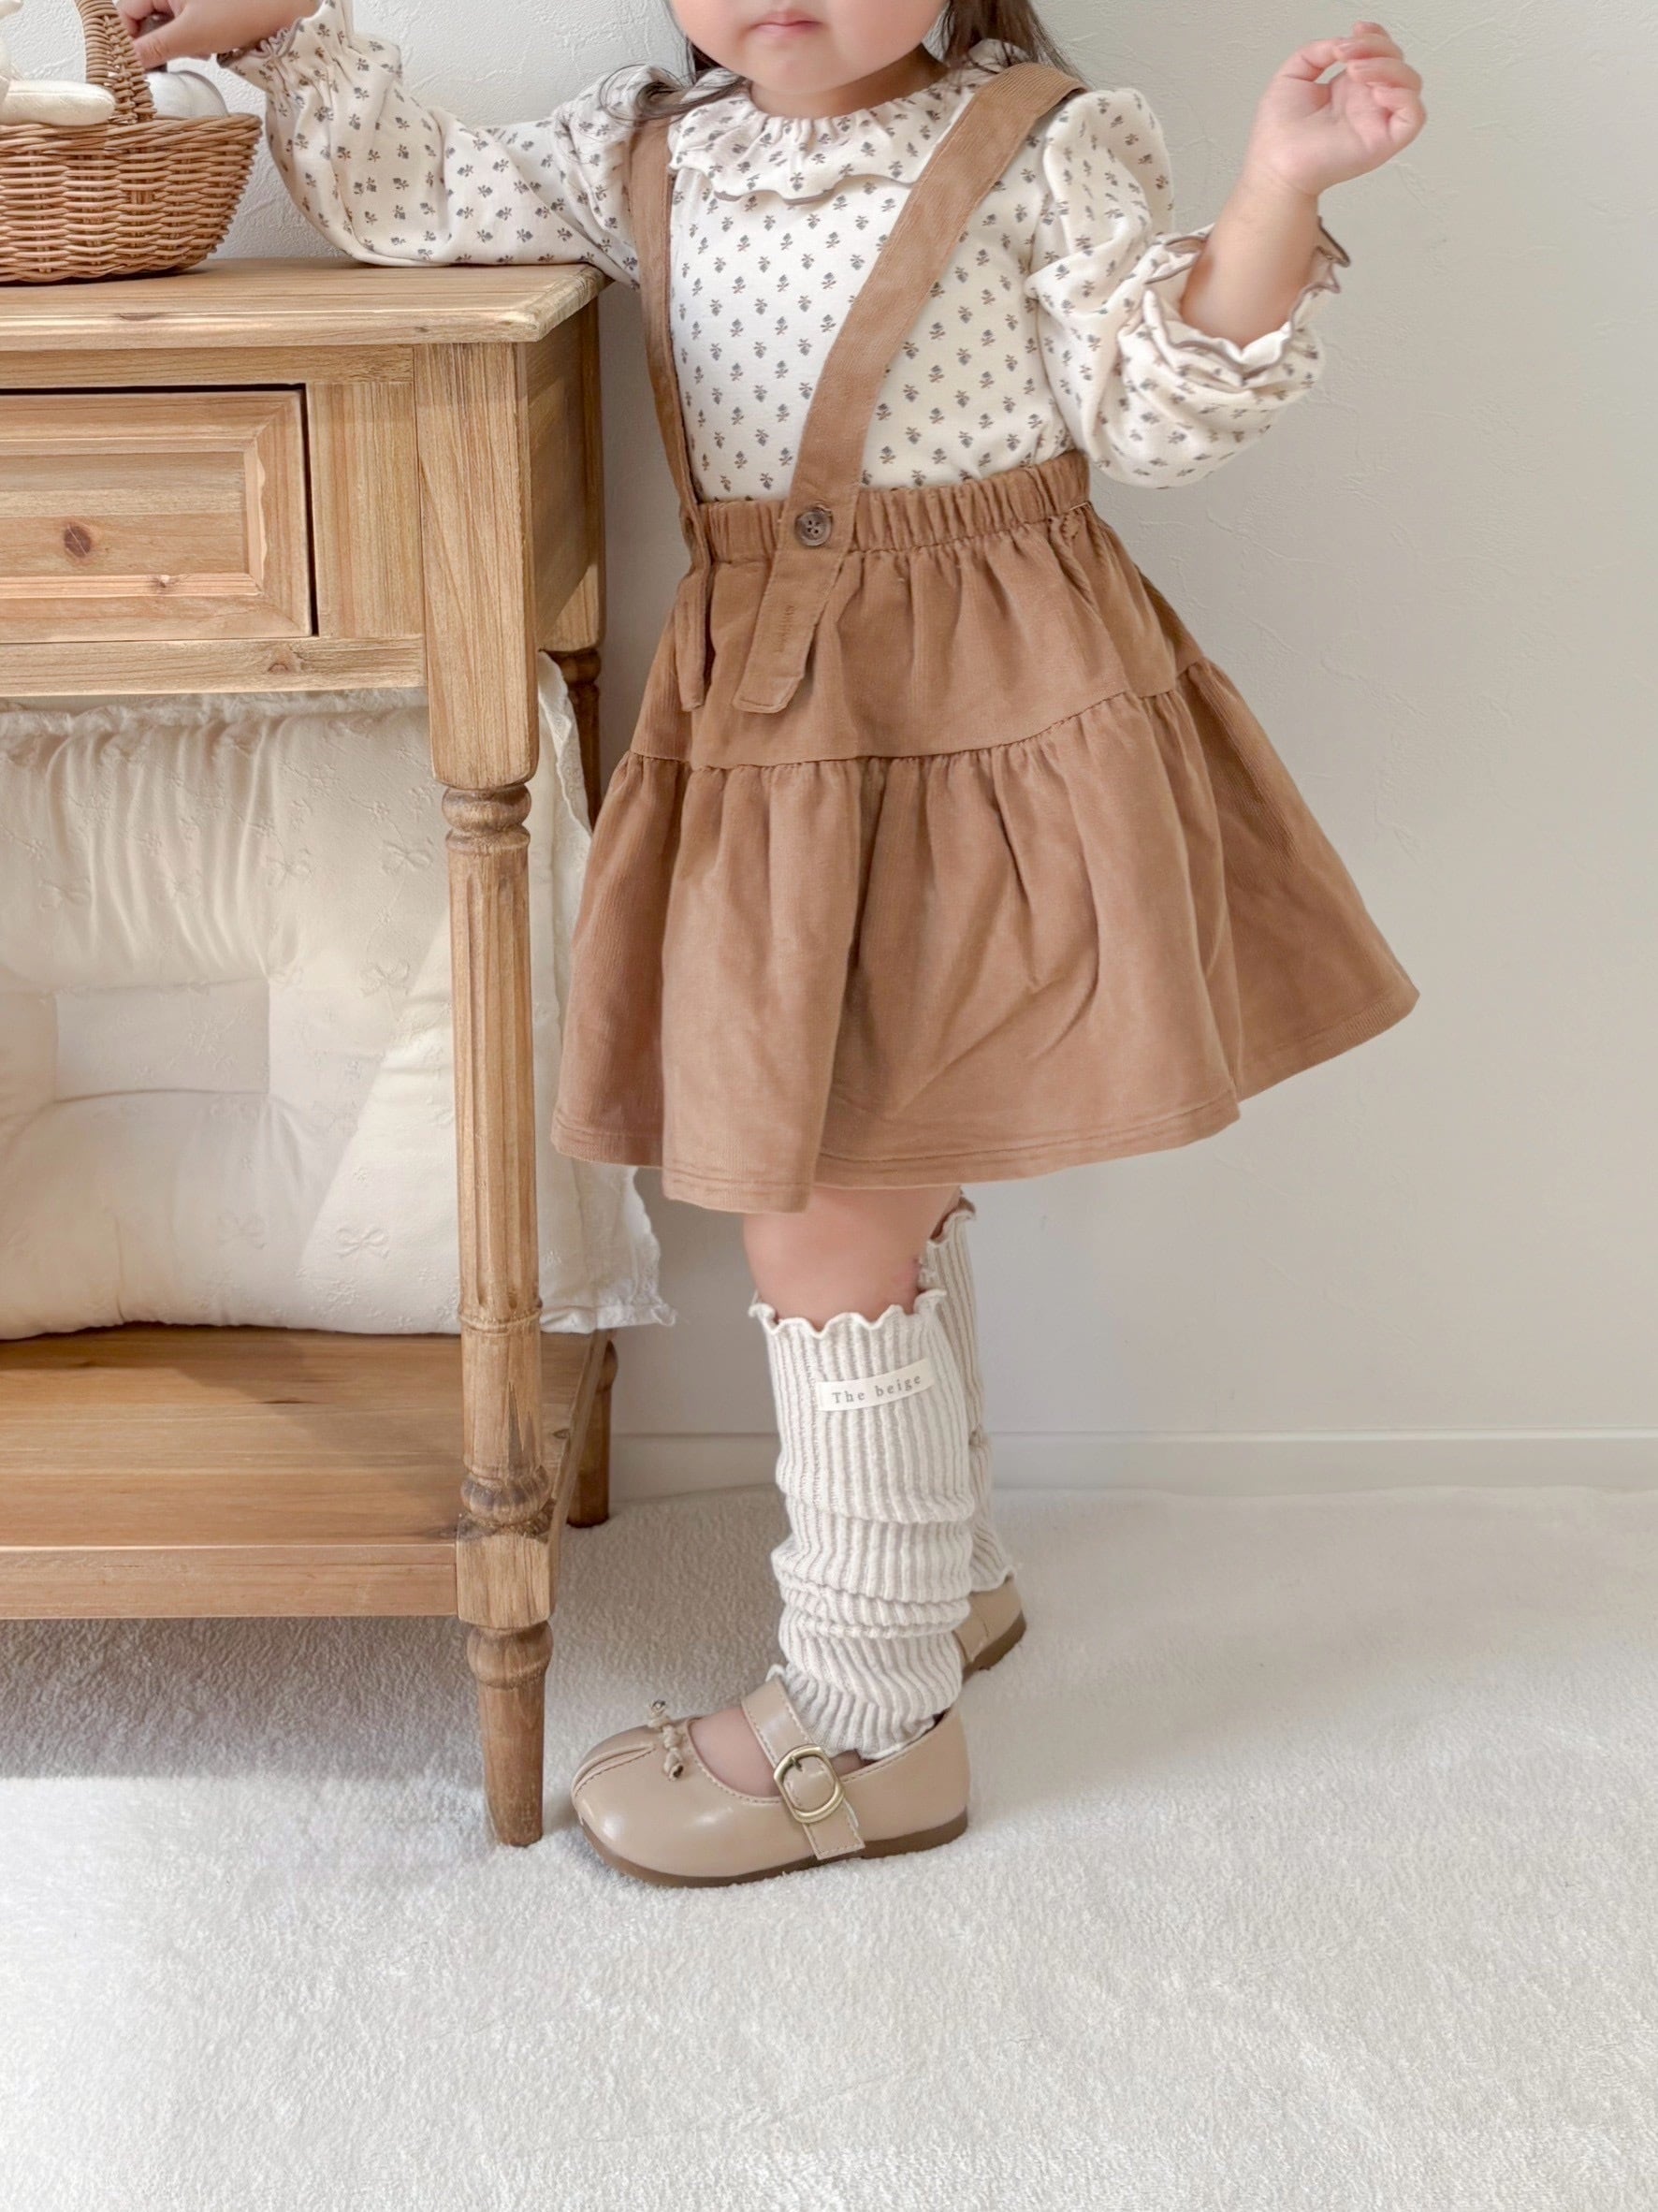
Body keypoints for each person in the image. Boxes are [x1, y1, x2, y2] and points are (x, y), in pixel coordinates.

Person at [126, 0, 1426, 1885]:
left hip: (993, 732)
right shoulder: (653, 148)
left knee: (824, 1198)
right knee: (868, 1161)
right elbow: (425, 203)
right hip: (777, 740)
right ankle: (942, 1574)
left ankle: (870, 1713)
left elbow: (1152, 407)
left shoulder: (1042, 137)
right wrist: (286, 35)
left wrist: (1279, 193)